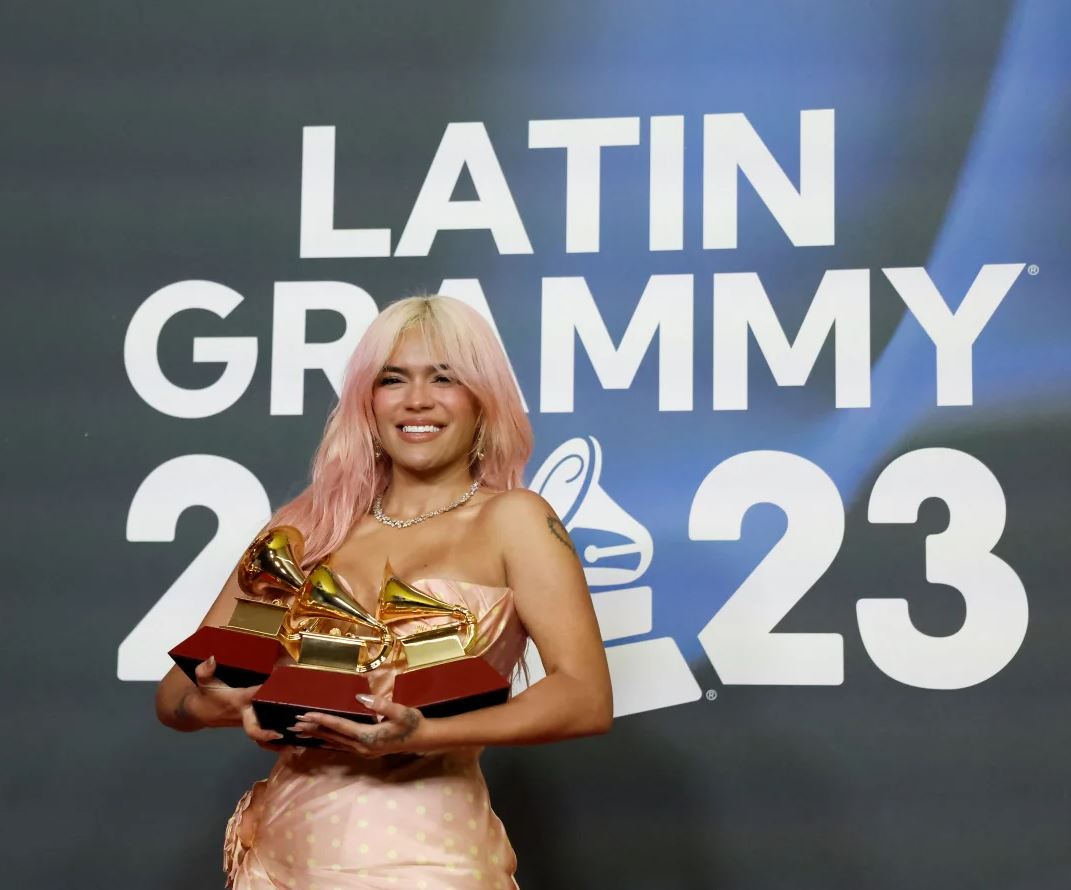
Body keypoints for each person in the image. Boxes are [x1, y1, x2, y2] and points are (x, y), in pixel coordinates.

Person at [155, 295, 613, 889]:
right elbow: (176, 696)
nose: (417, 400)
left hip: (430, 860)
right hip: (280, 859)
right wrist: (230, 705)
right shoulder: (306, 529)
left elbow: (584, 696)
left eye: (444, 378)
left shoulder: (514, 520)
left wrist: (428, 733)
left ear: (483, 400)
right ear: (367, 402)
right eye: (393, 379)